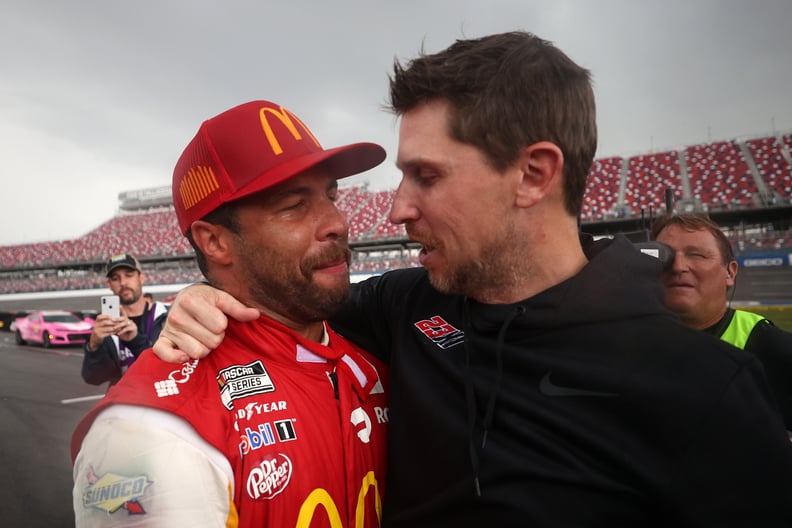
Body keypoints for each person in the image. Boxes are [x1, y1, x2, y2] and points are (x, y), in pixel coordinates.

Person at [154, 32, 792, 526]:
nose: (397, 208)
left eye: (426, 176)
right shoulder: (405, 306)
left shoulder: (704, 392)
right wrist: (207, 290)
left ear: (534, 175)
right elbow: (285, 293)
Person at [71, 100, 389, 526]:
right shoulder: (149, 431)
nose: (337, 222)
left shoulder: (383, 351)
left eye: (331, 194)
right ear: (216, 243)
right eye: (294, 205)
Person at [652, 212, 792, 431]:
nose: (677, 266)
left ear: (730, 272)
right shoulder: (626, 347)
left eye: (697, 255)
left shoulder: (773, 349)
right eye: (665, 255)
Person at [82, 253, 169, 386]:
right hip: (127, 403)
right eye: (116, 278)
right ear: (109, 284)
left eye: (129, 275)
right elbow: (94, 378)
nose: (123, 283)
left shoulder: (166, 316)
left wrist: (134, 340)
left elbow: (170, 368)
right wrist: (93, 347)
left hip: (164, 400)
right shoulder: (105, 325)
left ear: (142, 278)